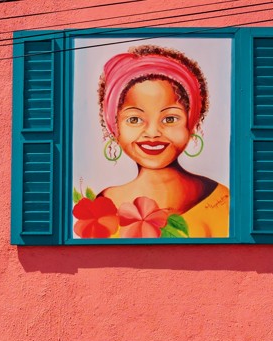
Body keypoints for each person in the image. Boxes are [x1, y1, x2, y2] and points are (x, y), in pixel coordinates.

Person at [79, 45, 229, 238]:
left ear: (192, 123)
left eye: (170, 119)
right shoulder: (101, 208)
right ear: (114, 127)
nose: (152, 133)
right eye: (134, 119)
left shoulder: (223, 202)